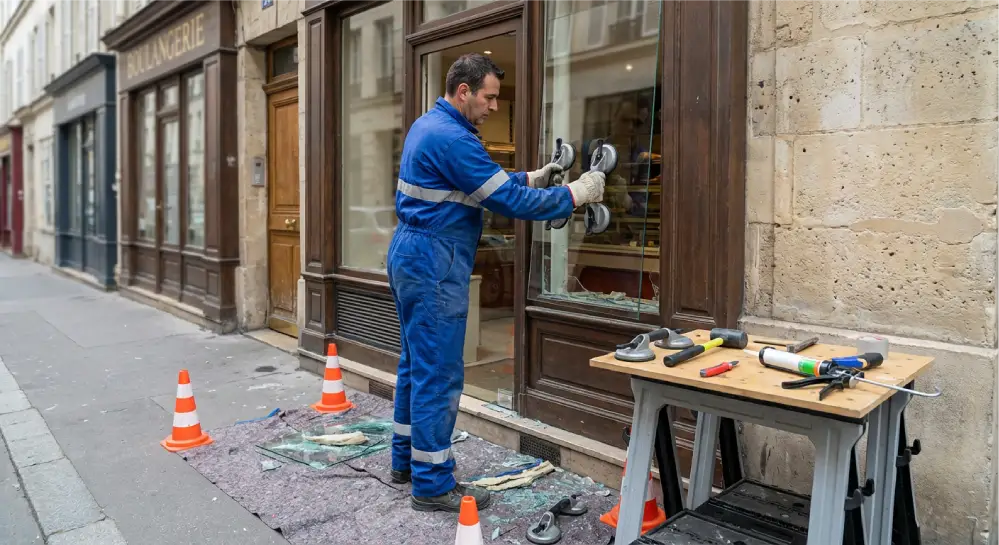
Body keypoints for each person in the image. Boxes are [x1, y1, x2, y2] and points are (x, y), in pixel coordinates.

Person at [386, 53, 606, 513]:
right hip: (434, 259)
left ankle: (405, 463)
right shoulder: (452, 137)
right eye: (488, 98)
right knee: (439, 372)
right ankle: (431, 485)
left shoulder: (431, 126)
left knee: (415, 364)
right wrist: (575, 194)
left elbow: (476, 182)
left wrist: (534, 176)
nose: (493, 107)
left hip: (413, 252)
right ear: (463, 91)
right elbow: (505, 200)